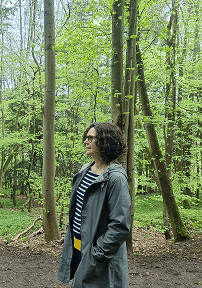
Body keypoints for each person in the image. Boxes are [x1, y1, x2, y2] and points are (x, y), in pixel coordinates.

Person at [57, 122, 131, 288]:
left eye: (90, 138)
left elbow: (120, 226)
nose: (86, 141)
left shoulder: (115, 178)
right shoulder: (86, 169)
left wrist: (96, 254)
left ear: (106, 141)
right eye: (86, 137)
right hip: (77, 247)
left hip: (96, 254)